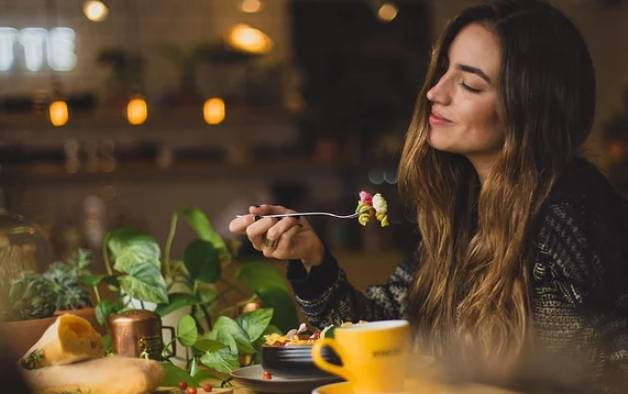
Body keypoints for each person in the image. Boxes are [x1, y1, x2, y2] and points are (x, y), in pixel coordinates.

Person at [230, 0, 628, 392]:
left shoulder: (570, 215)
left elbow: (600, 370)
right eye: (443, 71)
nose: (435, 92)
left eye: (469, 84)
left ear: (530, 108)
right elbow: (390, 327)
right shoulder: (467, 208)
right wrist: (311, 257)